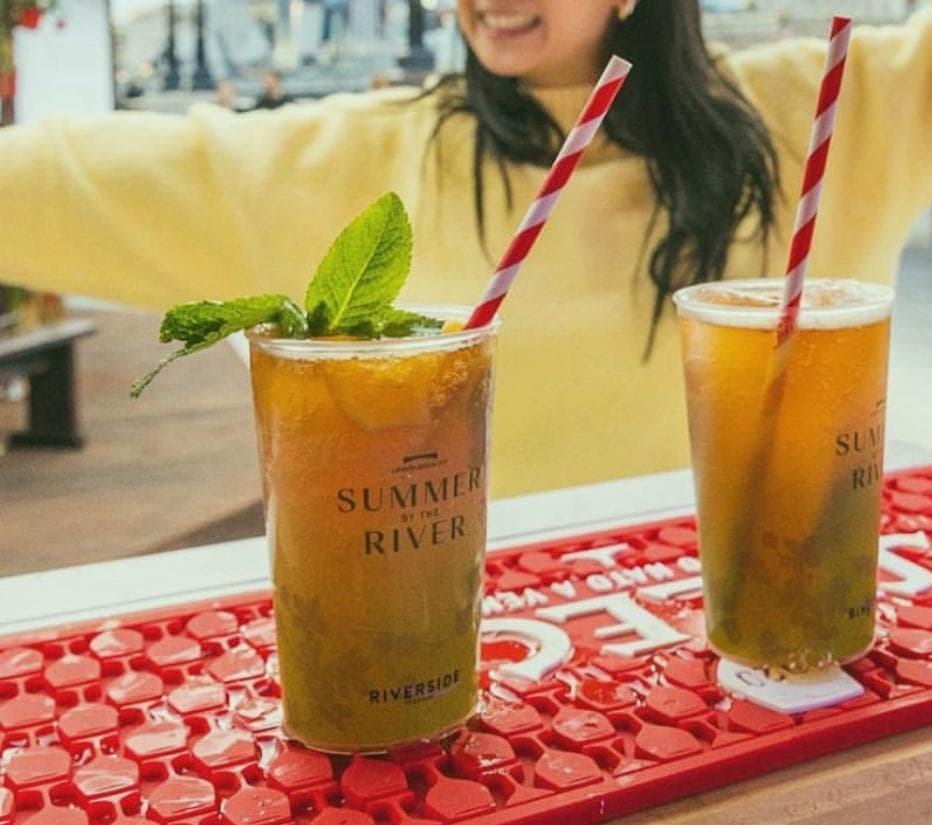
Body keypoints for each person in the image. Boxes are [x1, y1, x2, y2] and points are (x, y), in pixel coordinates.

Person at [0, 1, 929, 498]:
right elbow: (74, 179)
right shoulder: (372, 155)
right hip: (479, 664)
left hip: (780, 637)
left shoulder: (828, 108)